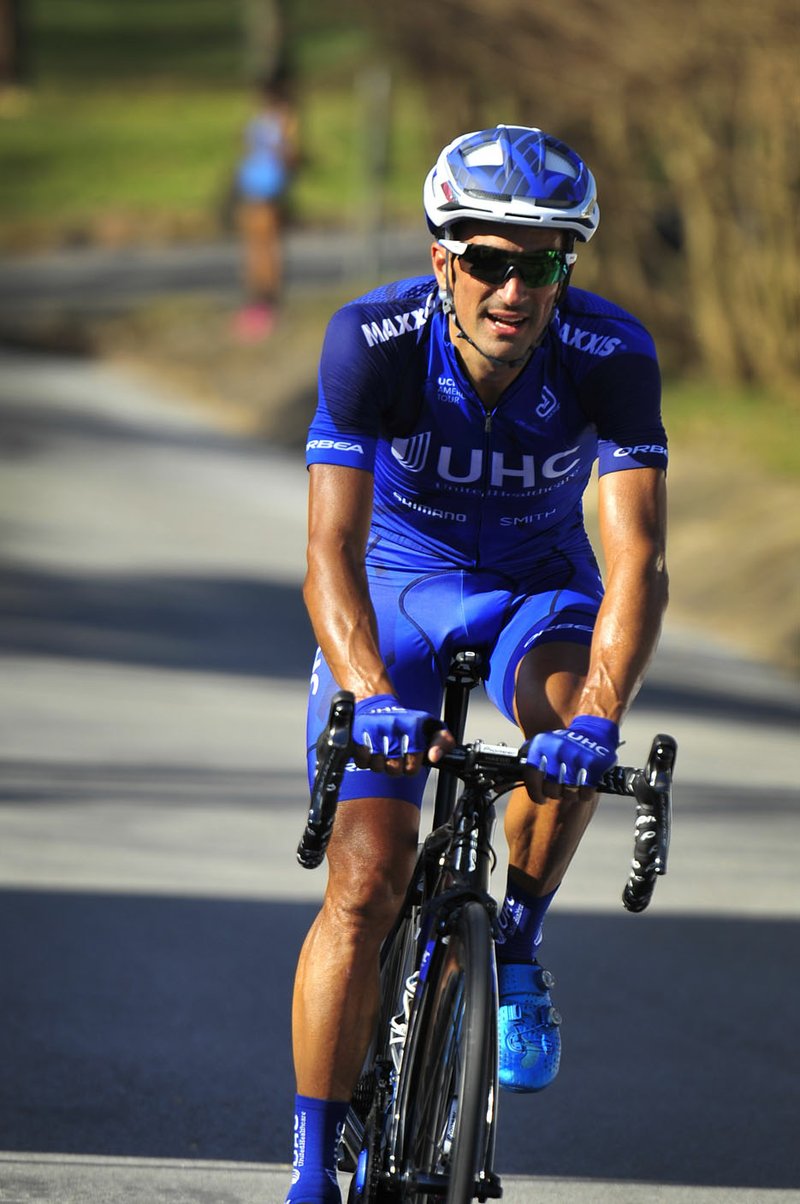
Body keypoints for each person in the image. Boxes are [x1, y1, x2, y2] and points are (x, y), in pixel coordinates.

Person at [287, 125, 669, 1202]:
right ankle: (312, 1172)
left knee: (567, 731)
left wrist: (597, 714)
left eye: (540, 262)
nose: (514, 288)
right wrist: (367, 693)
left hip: (533, 590)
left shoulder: (608, 353)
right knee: (362, 883)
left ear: (565, 270)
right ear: (443, 256)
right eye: (491, 259)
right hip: (398, 597)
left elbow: (637, 557)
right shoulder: (372, 339)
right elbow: (327, 552)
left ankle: (515, 944)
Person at [233, 75, 297, 341]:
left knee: (268, 250)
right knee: (254, 249)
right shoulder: (259, 121)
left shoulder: (285, 122)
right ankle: (255, 301)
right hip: (252, 189)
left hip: (269, 192)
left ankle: (268, 304)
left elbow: (290, 157)